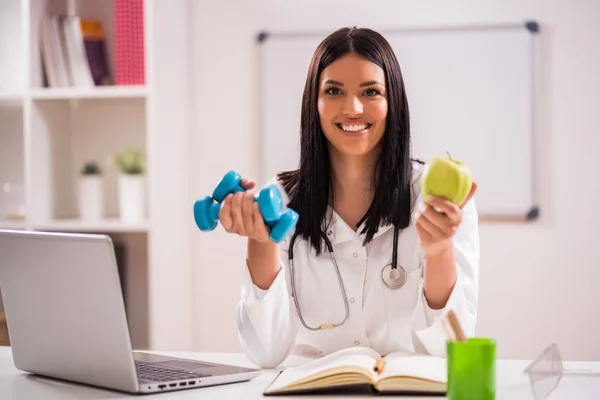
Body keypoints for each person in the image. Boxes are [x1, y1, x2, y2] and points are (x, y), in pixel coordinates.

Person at [218, 26, 479, 369]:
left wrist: (439, 251)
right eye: (334, 90)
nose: (353, 107)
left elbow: (452, 352)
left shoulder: (436, 198)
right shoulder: (278, 199)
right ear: (315, 102)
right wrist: (260, 241)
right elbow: (264, 354)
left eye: (371, 91)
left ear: (393, 102)